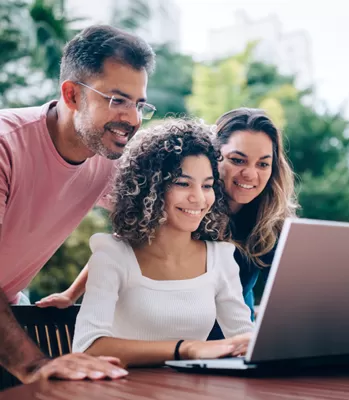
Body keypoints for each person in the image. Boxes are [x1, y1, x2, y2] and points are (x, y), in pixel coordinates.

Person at [0, 24, 156, 383]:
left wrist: (75, 292)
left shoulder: (108, 159)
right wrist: (34, 365)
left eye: (139, 104)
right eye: (117, 100)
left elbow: (138, 234)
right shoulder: (7, 146)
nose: (132, 119)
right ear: (71, 95)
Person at [72, 119, 253, 367]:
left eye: (207, 186)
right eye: (182, 183)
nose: (199, 198)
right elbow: (88, 348)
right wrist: (186, 349)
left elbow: (244, 339)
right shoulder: (113, 255)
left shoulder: (220, 258)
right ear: (151, 188)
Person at [208, 107, 298, 340]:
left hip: (240, 343)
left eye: (263, 164)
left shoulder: (271, 220)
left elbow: (297, 300)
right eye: (237, 160)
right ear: (212, 156)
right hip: (186, 346)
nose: (250, 174)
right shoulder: (186, 213)